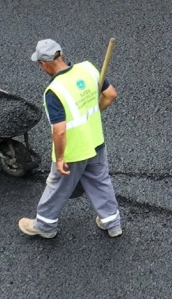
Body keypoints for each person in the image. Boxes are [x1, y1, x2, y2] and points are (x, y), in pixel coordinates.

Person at [19, 39, 122, 240]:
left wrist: (59, 158)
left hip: (73, 150)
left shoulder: (54, 91)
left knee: (57, 186)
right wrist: (92, 114)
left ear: (44, 63)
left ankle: (45, 226)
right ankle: (112, 223)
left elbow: (59, 131)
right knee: (100, 182)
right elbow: (110, 94)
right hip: (96, 141)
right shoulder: (88, 69)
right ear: (61, 54)